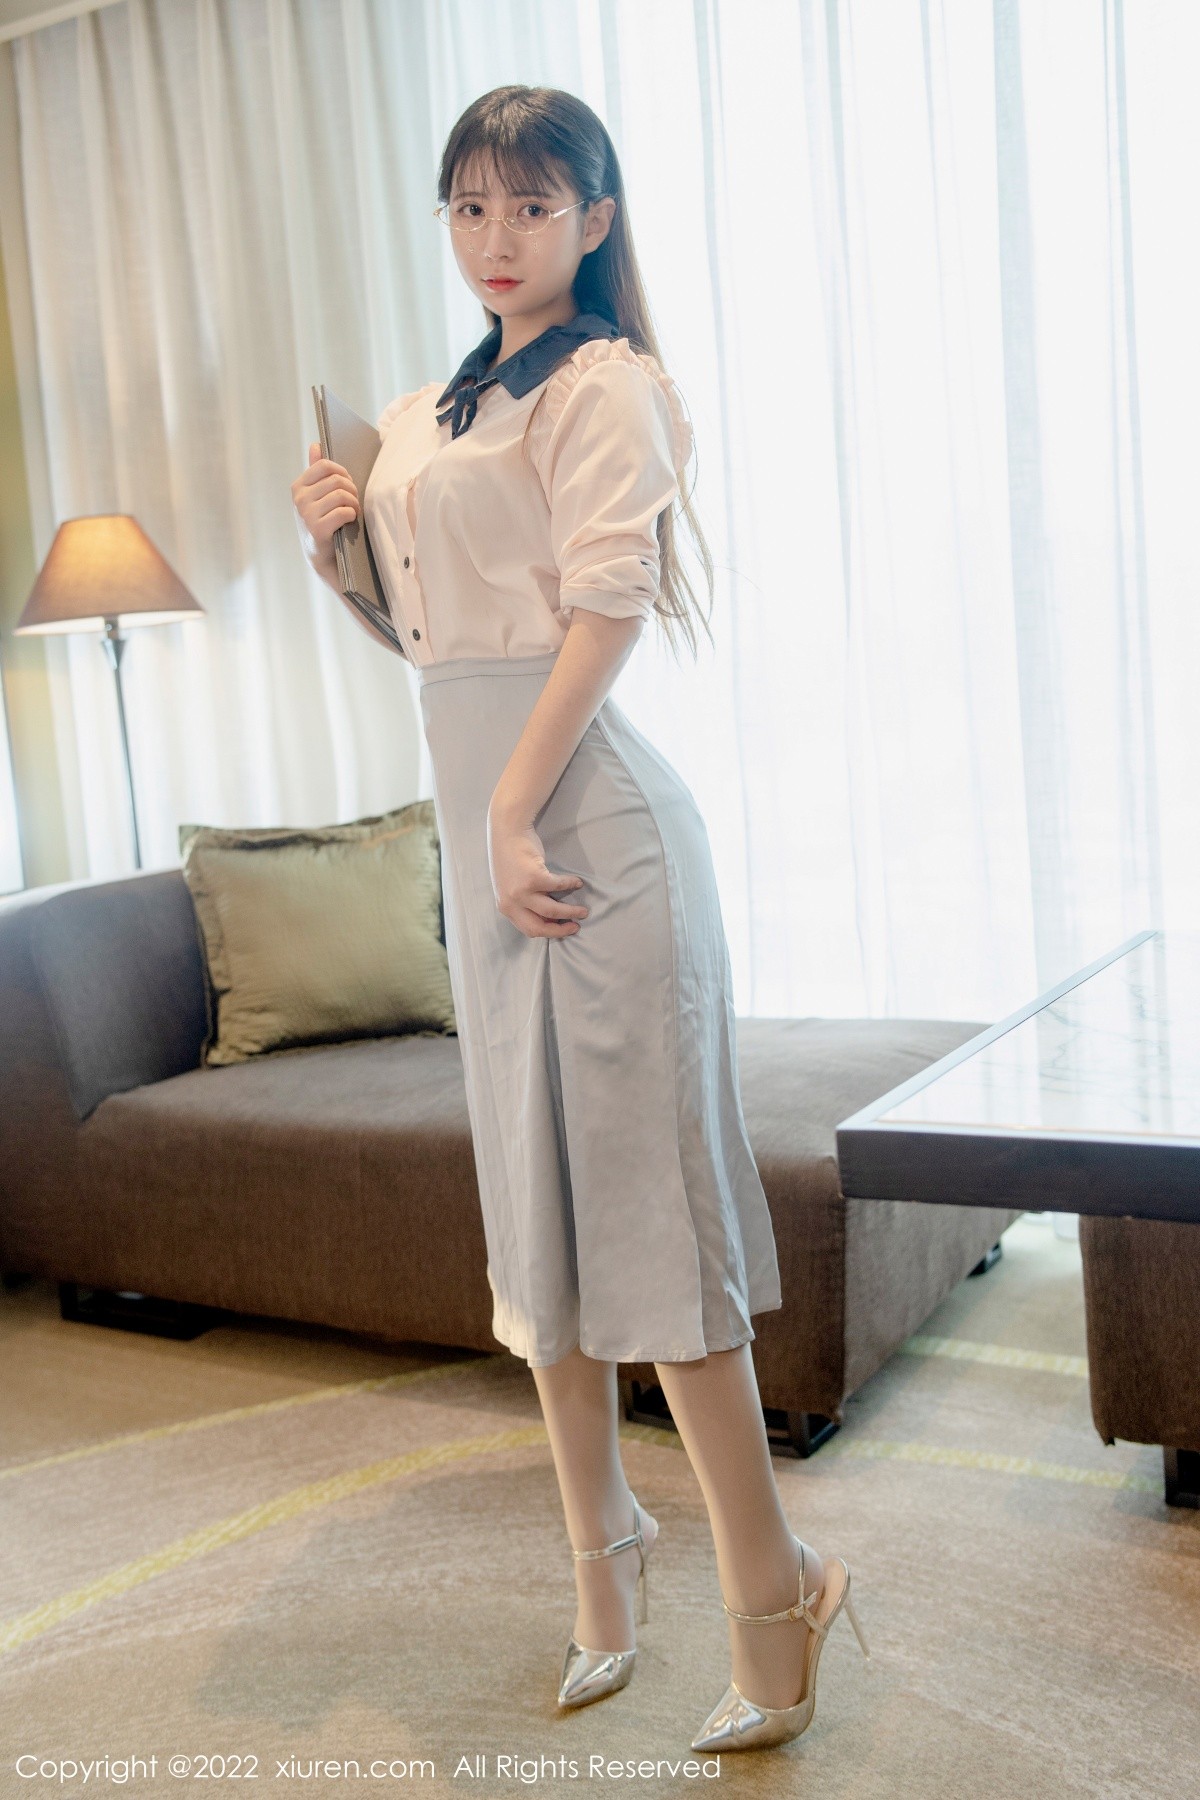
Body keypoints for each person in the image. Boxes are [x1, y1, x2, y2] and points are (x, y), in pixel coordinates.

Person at [292, 83, 867, 1754]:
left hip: (587, 838)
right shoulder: (426, 415)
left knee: (645, 1229)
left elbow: (600, 617)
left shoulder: (609, 385)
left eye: (531, 206)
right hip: (501, 832)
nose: (497, 239)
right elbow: (440, 647)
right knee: (534, 1227)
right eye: (469, 207)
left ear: (593, 222)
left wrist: (510, 808)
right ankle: (604, 1566)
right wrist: (342, 557)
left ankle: (778, 1585)